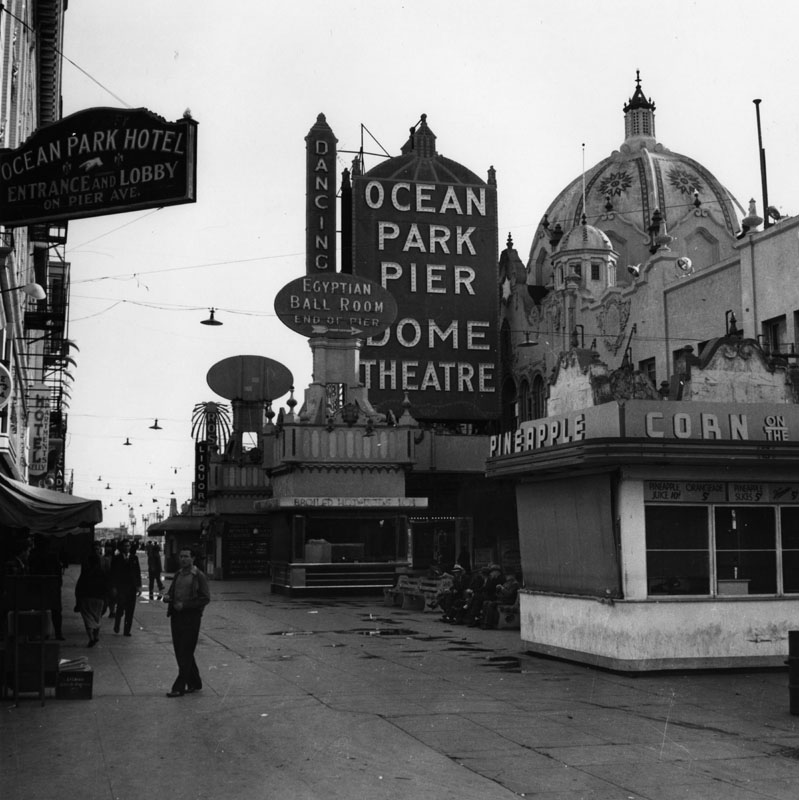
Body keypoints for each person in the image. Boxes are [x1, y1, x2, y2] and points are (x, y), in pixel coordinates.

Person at [164, 547, 210, 698]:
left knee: (185, 651)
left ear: (193, 559)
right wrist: (168, 597)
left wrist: (186, 605)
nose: (183, 559)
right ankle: (195, 682)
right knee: (181, 650)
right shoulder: (178, 574)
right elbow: (172, 592)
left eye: (186, 556)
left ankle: (179, 687)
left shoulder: (198, 576)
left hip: (191, 618)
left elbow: (205, 598)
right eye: (181, 556)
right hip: (176, 616)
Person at [28, 534, 65, 640]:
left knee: (39, 611)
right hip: (52, 587)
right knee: (56, 611)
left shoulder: (32, 555)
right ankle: (58, 633)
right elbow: (58, 572)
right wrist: (59, 584)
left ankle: (41, 632)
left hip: (37, 586)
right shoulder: (52, 555)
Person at [75, 545, 109, 647]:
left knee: (87, 619)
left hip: (86, 598)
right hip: (99, 599)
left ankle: (91, 637)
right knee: (97, 617)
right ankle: (96, 635)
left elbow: (79, 587)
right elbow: (106, 586)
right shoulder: (102, 573)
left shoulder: (85, 573)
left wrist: (78, 600)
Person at [110, 539, 142, 636]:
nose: (127, 548)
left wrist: (139, 586)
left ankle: (127, 631)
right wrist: (114, 587)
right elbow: (113, 574)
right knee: (120, 608)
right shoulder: (116, 558)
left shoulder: (134, 558)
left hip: (132, 588)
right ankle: (117, 624)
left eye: (128, 546)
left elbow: (138, 573)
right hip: (121, 588)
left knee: (130, 610)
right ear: (121, 547)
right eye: (125, 546)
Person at [101, 541, 117, 618]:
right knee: (106, 599)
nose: (108, 548)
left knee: (112, 598)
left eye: (109, 547)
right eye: (107, 547)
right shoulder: (103, 558)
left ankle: (112, 611)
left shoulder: (114, 558)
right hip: (105, 581)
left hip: (112, 581)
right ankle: (105, 611)